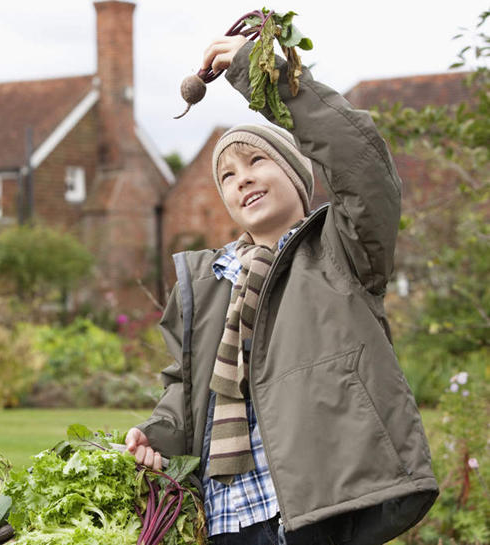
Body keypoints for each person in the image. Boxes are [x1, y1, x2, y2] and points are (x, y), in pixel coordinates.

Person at [126, 34, 438, 545]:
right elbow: (187, 388)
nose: (241, 180)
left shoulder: (339, 251)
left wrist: (268, 77)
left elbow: (361, 166)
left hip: (313, 506)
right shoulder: (210, 282)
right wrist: (158, 434)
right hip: (226, 517)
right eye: (226, 175)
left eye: (256, 162)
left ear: (297, 176)